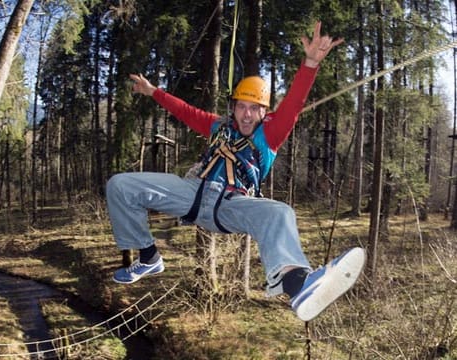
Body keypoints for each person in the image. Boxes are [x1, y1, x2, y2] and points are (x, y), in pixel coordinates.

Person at [106, 21, 365, 321]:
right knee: (120, 185)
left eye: (254, 108)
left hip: (231, 204)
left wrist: (310, 64)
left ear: (264, 112)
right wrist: (153, 92)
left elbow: (294, 104)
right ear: (234, 109)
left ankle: (296, 285)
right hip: (192, 195)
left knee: (280, 213)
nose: (246, 113)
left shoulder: (270, 136)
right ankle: (148, 256)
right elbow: (185, 110)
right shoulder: (218, 127)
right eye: (241, 107)